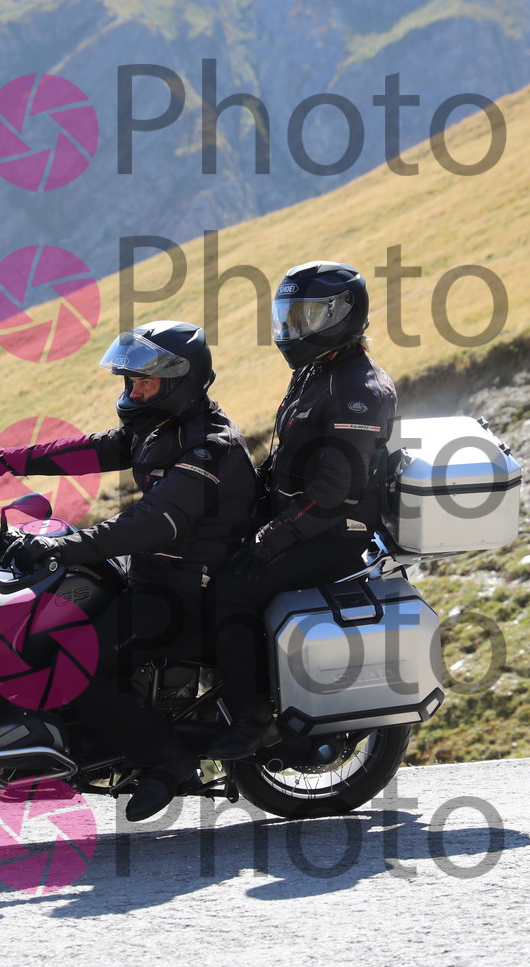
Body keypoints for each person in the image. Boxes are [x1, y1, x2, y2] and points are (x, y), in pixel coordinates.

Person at [0, 320, 257, 819]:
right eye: (130, 381)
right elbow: (91, 449)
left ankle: (168, 762)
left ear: (179, 381)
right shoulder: (162, 428)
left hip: (185, 590)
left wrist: (63, 547)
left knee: (82, 667)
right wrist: (3, 461)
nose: (133, 392)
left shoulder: (208, 449)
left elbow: (151, 523)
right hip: (153, 571)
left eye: (144, 382)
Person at [203, 261, 398, 760]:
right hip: (297, 521)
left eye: (306, 317)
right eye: (288, 317)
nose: (292, 329)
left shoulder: (358, 390)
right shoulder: (318, 371)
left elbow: (337, 492)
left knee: (232, 589)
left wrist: (270, 539)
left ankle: (251, 716)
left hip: (333, 534)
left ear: (342, 314)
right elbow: (288, 457)